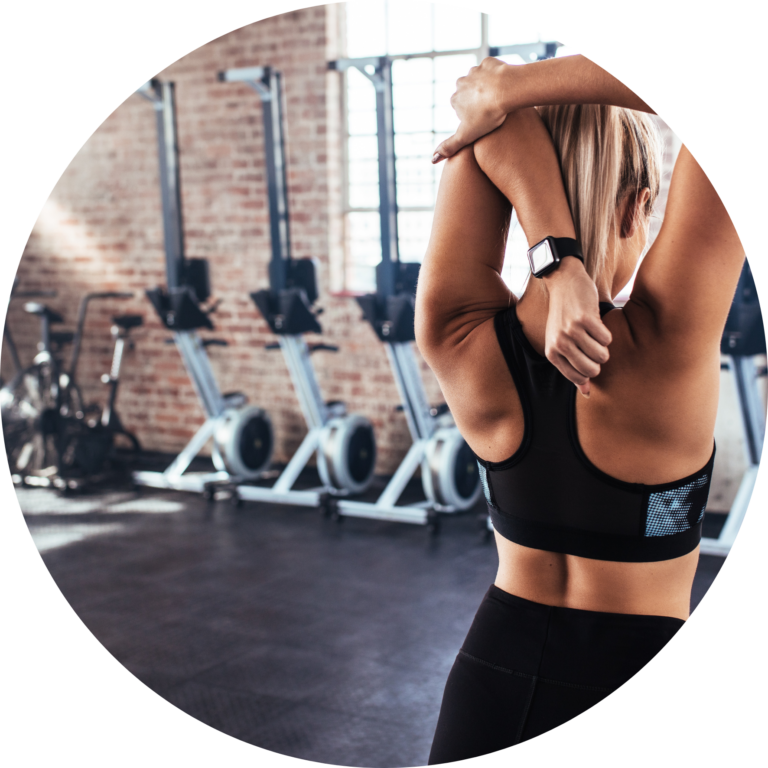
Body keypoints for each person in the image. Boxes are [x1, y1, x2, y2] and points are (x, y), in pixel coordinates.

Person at [414, 54, 745, 762]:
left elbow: (481, 115)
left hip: (489, 681)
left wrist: (552, 256)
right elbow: (490, 101)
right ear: (636, 204)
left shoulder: (456, 333)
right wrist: (518, 86)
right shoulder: (669, 339)